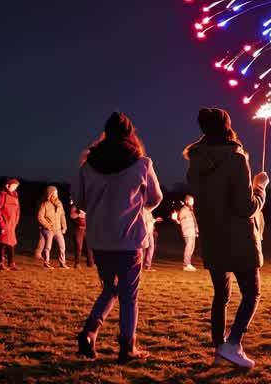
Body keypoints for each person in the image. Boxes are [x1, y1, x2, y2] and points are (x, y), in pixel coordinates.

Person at [74, 112, 163, 364]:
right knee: (128, 294)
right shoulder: (142, 163)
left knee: (111, 288)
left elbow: (79, 200)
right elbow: (155, 199)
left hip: (100, 239)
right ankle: (127, 348)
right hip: (129, 238)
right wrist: (136, 202)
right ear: (130, 134)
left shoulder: (88, 164)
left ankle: (89, 333)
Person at [186, 107, 269, 370]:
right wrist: (260, 188)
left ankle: (219, 348)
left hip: (213, 238)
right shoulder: (236, 158)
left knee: (221, 295)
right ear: (227, 127)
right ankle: (232, 344)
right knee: (252, 293)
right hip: (238, 239)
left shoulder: (196, 161)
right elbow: (246, 207)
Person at [38, 185, 69, 269]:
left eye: (57, 192)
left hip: (58, 229)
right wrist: (47, 226)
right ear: (50, 193)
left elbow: (62, 215)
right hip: (49, 230)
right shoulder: (45, 204)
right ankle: (46, 262)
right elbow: (40, 217)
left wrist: (64, 227)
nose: (56, 194)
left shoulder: (59, 204)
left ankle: (62, 263)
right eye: (55, 192)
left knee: (62, 246)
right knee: (48, 247)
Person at [0, 179, 22, 271]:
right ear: (7, 186)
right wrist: (1, 224)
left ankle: (11, 263)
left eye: (16, 187)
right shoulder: (2, 195)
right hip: (4, 223)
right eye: (13, 186)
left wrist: (16, 221)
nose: (14, 188)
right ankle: (0, 264)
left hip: (12, 224)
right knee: (2, 243)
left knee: (11, 243)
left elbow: (18, 210)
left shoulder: (15, 196)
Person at [178, 195, 199, 270]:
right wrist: (186, 218)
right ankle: (186, 264)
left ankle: (188, 263)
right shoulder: (183, 210)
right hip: (187, 231)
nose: (192, 202)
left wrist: (196, 230)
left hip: (192, 232)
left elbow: (195, 221)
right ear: (186, 201)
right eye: (191, 201)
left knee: (192, 248)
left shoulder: (191, 210)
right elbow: (180, 219)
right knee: (188, 247)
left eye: (193, 201)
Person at [71, 201, 94, 268]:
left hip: (87, 230)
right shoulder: (76, 206)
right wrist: (79, 214)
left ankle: (90, 263)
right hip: (79, 229)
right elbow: (72, 215)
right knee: (79, 247)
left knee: (89, 247)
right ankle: (77, 263)